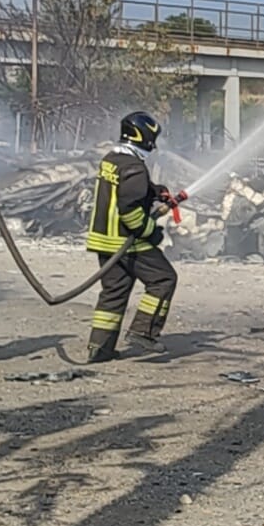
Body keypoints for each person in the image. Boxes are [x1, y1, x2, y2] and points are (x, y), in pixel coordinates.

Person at [84, 111, 178, 362]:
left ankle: (100, 349)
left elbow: (123, 191)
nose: (154, 145)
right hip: (127, 242)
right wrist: (152, 233)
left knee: (114, 291)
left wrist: (155, 191)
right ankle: (143, 331)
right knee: (164, 279)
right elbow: (129, 210)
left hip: (103, 239)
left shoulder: (112, 160)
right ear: (144, 138)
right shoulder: (135, 168)